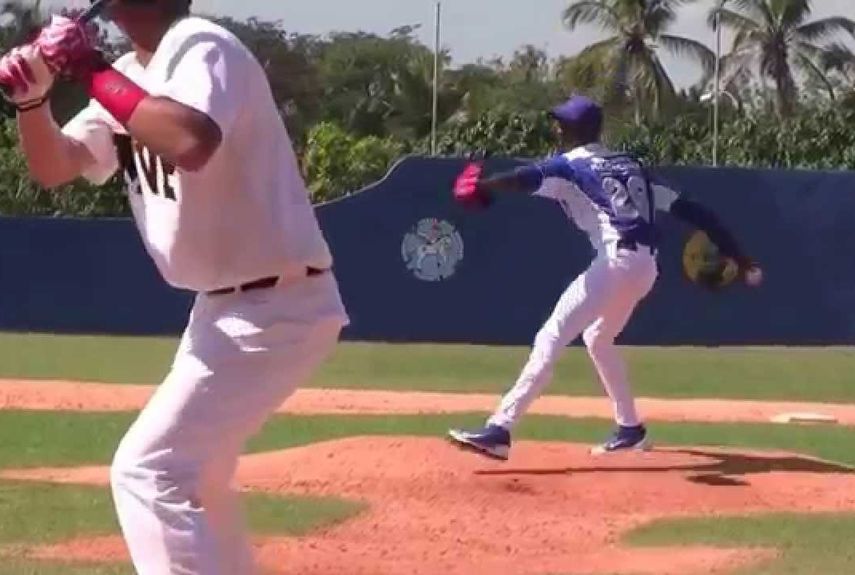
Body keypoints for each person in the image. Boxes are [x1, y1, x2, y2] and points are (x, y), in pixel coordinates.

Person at [0, 2, 348, 573]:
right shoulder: (130, 75)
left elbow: (189, 140)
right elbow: (56, 166)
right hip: (225, 309)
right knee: (200, 480)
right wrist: (33, 102)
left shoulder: (201, 45)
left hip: (276, 302)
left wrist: (87, 68)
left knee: (148, 470)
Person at [447, 95, 762, 460]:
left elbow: (522, 179)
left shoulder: (570, 165)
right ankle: (630, 427)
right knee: (598, 338)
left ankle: (500, 429)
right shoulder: (633, 166)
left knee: (551, 335)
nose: (557, 127)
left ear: (576, 129)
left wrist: (484, 185)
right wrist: (741, 258)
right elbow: (699, 213)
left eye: (562, 123)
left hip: (615, 264)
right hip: (646, 268)